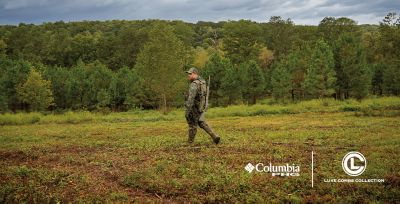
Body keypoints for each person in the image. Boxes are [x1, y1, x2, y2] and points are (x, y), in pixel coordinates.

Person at [185, 67, 220, 144]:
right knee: (201, 122)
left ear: (195, 74)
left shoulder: (194, 84)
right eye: (188, 74)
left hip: (194, 107)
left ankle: (190, 142)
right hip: (201, 106)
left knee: (192, 125)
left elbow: (191, 98)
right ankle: (214, 136)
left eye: (190, 74)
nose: (188, 76)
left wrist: (187, 110)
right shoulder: (203, 82)